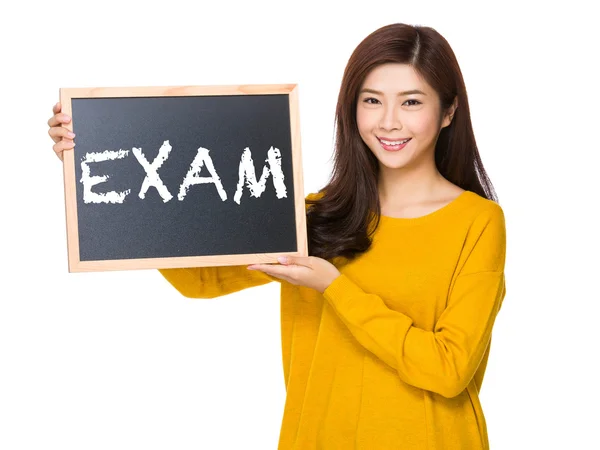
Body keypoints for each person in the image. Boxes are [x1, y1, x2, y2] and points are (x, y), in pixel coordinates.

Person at [47, 22, 506, 450]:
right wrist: (104, 164)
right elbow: (200, 282)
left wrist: (335, 288)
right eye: (371, 100)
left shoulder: (477, 221)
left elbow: (448, 369)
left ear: (448, 112)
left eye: (411, 102)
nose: (388, 121)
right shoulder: (315, 213)